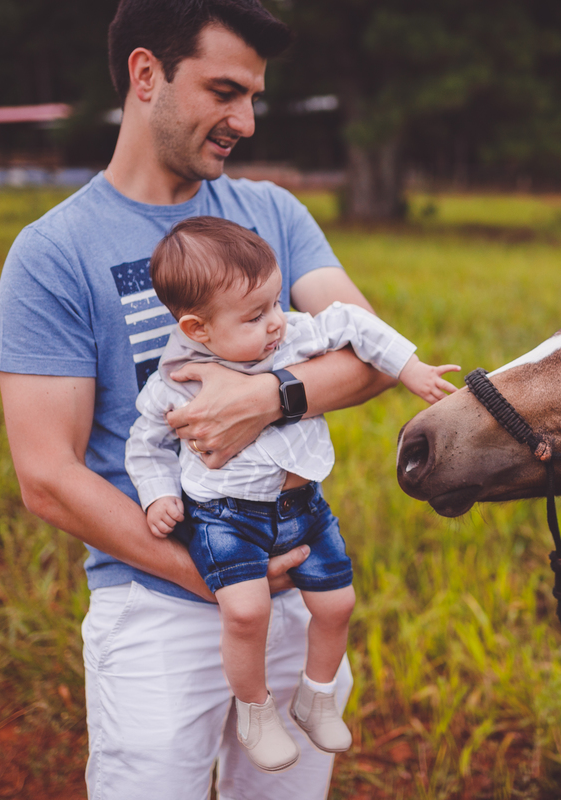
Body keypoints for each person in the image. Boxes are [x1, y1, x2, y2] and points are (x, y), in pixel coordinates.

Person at [0, 0, 401, 796]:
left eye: (253, 98)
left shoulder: (271, 213)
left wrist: (266, 399)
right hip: (155, 610)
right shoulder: (53, 252)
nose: (244, 119)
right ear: (147, 75)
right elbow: (46, 474)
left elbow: (371, 354)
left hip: (291, 599)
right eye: (223, 91)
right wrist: (210, 575)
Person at [125, 217, 457, 773]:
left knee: (338, 603)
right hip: (225, 519)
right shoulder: (176, 381)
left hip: (304, 509)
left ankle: (316, 695)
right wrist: (158, 496)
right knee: (247, 612)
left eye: (277, 303)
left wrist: (410, 369)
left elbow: (353, 322)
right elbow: (145, 445)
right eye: (256, 316)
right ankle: (256, 711)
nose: (277, 323)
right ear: (198, 327)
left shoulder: (290, 334)